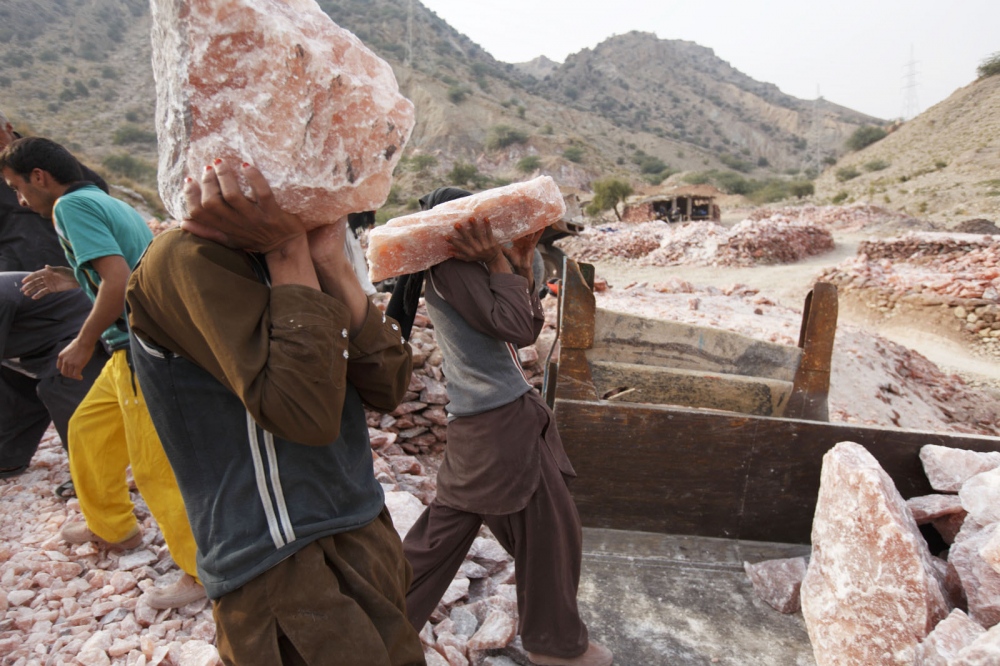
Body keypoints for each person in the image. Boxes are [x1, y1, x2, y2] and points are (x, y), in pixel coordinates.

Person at [126, 158, 424, 665]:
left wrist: (328, 260)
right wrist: (286, 253)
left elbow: (388, 382)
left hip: (360, 526)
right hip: (280, 561)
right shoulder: (185, 257)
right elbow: (303, 415)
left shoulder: (305, 240)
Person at [389, 187, 613, 666]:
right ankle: (556, 648)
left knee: (527, 533)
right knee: (534, 534)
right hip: (496, 426)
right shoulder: (452, 267)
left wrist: (519, 258)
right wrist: (496, 261)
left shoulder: (466, 266)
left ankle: (372, 633)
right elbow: (517, 326)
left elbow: (525, 319)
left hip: (498, 423)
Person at [0, 136, 204, 609]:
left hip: (140, 348)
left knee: (154, 465)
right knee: (88, 429)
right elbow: (124, 265)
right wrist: (68, 276)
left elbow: (118, 281)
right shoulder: (96, 199)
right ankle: (112, 527)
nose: (18, 200)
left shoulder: (70, 208)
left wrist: (82, 340)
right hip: (125, 350)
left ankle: (200, 570)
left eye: (17, 187)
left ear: (39, 178)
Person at [0, 112, 110, 487]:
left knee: (61, 376)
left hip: (65, 289)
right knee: (16, 374)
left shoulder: (45, 170)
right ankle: (8, 455)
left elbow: (93, 191)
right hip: (22, 289)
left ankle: (95, 478)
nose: (21, 199)